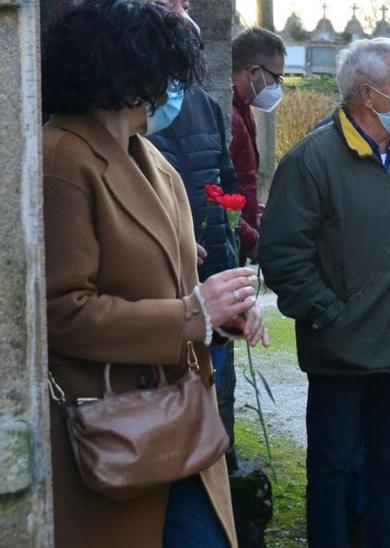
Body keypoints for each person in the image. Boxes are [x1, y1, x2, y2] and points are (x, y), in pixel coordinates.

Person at [42, 1, 266, 545]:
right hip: (113, 431)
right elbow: (58, 312)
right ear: (121, 70)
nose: (174, 87)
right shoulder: (61, 160)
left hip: (179, 419)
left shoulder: (149, 155)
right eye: (163, 69)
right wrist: (193, 314)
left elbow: (173, 281)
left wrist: (223, 315)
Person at [259, 37, 390, 548]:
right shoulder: (311, 161)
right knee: (334, 469)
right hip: (339, 351)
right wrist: (331, 314)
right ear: (369, 96)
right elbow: (282, 255)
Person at [146, 0, 247, 471]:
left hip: (210, 278)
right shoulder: (131, 114)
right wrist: (178, 238)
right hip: (161, 291)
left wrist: (228, 252)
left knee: (209, 399)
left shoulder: (205, 104)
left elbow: (227, 182)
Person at [229, 26, 286, 266]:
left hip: (235, 240)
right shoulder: (229, 117)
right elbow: (214, 191)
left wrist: (254, 210)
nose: (278, 86)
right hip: (228, 245)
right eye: (276, 78)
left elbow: (240, 181)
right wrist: (251, 240)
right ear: (254, 72)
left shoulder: (244, 110)